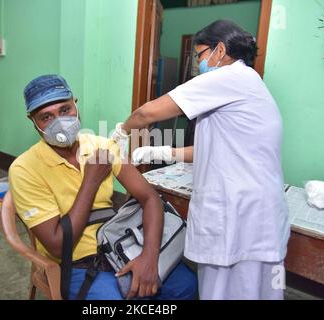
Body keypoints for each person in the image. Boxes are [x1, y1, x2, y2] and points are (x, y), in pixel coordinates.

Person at [112, 20, 290, 300]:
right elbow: (216, 147)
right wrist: (163, 152)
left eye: (200, 55)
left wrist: (121, 131)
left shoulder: (227, 78)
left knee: (225, 291)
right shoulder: (248, 82)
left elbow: (146, 113)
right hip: (258, 211)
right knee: (254, 290)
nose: (200, 64)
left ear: (220, 50)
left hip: (238, 213)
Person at [9, 74, 197, 300]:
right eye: (46, 116)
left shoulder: (102, 147)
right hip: (78, 262)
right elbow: (59, 246)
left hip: (118, 242)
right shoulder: (24, 169)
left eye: (65, 109)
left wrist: (149, 257)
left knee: (187, 285)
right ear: (33, 121)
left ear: (75, 105)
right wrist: (91, 180)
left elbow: (149, 199)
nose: (59, 121)